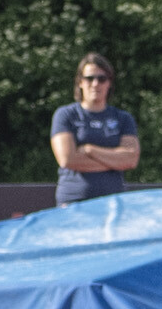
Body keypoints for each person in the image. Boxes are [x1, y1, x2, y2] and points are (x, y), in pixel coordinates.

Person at [50, 54, 139, 206]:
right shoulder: (66, 115)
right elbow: (67, 160)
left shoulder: (123, 118)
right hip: (74, 200)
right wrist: (114, 161)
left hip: (113, 202)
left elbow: (131, 159)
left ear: (109, 83)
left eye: (102, 79)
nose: (95, 83)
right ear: (80, 82)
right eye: (89, 78)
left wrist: (90, 150)